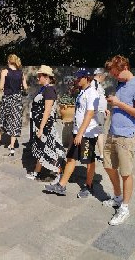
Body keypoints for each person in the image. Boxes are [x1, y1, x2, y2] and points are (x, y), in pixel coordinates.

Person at [101, 55, 135, 226]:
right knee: (108, 166)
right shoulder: (120, 84)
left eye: (115, 74)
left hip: (126, 136)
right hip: (112, 132)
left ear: (124, 67)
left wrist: (118, 104)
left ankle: (125, 208)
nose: (114, 77)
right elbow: (121, 106)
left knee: (125, 173)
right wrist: (111, 108)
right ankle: (118, 197)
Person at [44, 68, 102, 197]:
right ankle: (61, 185)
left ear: (86, 78)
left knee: (88, 160)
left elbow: (90, 114)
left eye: (79, 77)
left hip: (88, 134)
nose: (77, 79)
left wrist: (80, 133)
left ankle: (88, 185)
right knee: (70, 158)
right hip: (78, 132)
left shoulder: (92, 93)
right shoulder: (83, 91)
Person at [26, 65, 63, 180]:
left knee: (49, 148)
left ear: (46, 77)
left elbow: (47, 110)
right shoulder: (44, 88)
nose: (38, 78)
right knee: (43, 148)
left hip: (46, 125)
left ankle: (59, 173)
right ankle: (37, 173)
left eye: (39, 76)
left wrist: (41, 128)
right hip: (40, 124)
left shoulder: (49, 90)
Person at [0, 54, 29, 155]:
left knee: (2, 118)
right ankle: (12, 146)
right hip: (17, 99)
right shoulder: (21, 73)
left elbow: (1, 87)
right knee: (15, 120)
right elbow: (25, 87)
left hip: (7, 98)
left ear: (9, 61)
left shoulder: (5, 72)